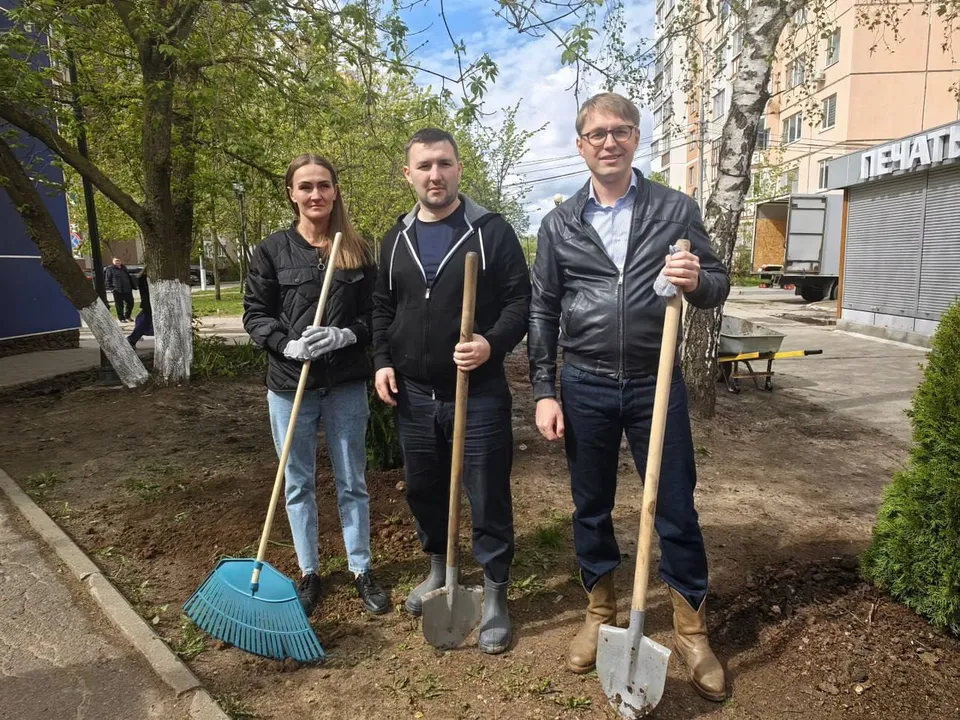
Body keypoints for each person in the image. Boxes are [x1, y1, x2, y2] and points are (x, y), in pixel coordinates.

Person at [528, 93, 730, 700]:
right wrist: (544, 389)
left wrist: (699, 282)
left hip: (655, 380)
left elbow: (716, 281)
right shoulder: (560, 223)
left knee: (673, 506)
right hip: (584, 381)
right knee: (590, 505)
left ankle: (692, 631)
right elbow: (542, 308)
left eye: (620, 131)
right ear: (581, 144)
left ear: (637, 139)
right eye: (596, 134)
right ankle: (600, 613)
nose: (608, 142)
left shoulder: (675, 209)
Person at [372, 128, 531, 654]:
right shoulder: (395, 237)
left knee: (486, 494)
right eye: (424, 166)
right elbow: (381, 308)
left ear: (459, 168)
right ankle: (437, 570)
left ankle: (493, 594)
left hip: (477, 393)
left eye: (444, 164)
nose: (434, 175)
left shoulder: (489, 231)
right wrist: (381, 362)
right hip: (415, 395)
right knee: (424, 489)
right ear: (408, 174)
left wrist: (490, 344)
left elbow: (518, 304)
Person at [243, 153, 389, 617]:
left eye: (323, 185)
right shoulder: (270, 251)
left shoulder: (357, 249)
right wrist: (287, 346)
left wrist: (348, 334)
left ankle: (361, 569)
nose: (315, 194)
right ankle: (309, 572)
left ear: (335, 190)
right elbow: (255, 314)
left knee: (352, 481)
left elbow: (376, 314)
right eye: (305, 186)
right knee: (298, 483)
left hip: (344, 383)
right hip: (290, 386)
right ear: (291, 193)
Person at [127, 271, 153, 347]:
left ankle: (132, 339)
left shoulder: (142, 278)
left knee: (145, 321)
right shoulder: (145, 279)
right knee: (145, 322)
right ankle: (132, 339)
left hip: (147, 303)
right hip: (149, 304)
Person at [104, 257, 134, 322]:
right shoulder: (110, 269)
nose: (118, 262)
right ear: (113, 262)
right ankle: (121, 318)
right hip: (117, 290)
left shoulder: (124, 268)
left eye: (119, 261)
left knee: (131, 303)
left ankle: (127, 316)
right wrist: (112, 289)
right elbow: (107, 280)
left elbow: (128, 277)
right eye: (116, 261)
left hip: (127, 289)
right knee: (119, 305)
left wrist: (131, 286)